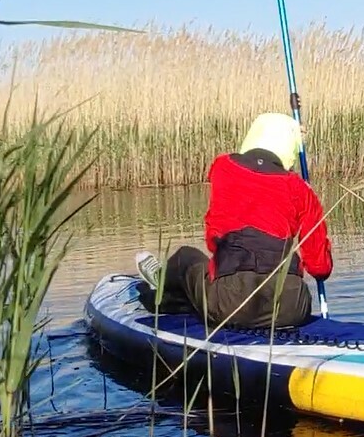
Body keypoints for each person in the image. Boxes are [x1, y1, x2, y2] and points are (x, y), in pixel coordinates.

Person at [135, 112, 332, 331]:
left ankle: (161, 285)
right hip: (293, 306)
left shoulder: (223, 167)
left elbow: (214, 240)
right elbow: (320, 268)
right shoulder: (301, 190)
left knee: (185, 257)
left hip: (230, 303)